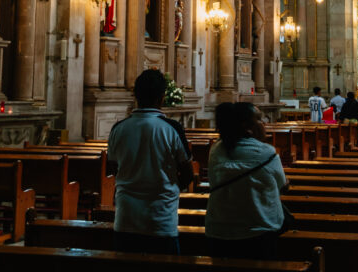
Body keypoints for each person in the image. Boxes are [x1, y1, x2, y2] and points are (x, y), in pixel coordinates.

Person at [108, 69, 194, 254]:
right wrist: (170, 188)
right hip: (160, 217)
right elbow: (187, 172)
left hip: (126, 217)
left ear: (135, 96)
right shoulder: (172, 128)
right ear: (162, 98)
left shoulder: (118, 128)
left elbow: (113, 167)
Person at [205, 102, 287, 260]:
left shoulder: (216, 149)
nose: (264, 124)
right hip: (257, 232)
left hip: (219, 231)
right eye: (259, 119)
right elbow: (282, 186)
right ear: (247, 126)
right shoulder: (266, 153)